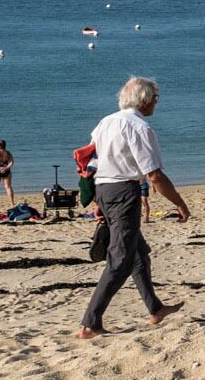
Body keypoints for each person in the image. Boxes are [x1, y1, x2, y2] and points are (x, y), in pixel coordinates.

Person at [79, 77, 189, 337]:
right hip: (123, 191)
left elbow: (92, 163)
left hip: (104, 189)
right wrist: (180, 204)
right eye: (155, 98)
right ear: (145, 100)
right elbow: (155, 175)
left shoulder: (105, 122)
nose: (156, 103)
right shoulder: (139, 127)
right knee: (119, 260)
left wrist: (98, 201)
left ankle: (155, 308)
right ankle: (90, 323)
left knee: (138, 252)